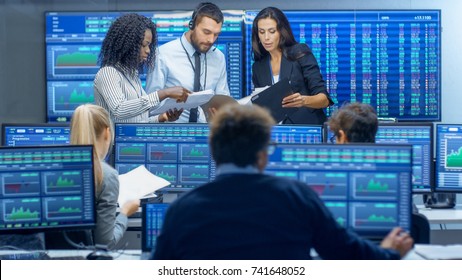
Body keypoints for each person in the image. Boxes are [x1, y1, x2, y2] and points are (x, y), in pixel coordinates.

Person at [153, 104, 413, 260]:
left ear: (212, 149)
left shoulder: (182, 210)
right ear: (264, 155)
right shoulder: (296, 197)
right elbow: (343, 251)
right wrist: (389, 253)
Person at [94, 13, 189, 124]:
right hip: (114, 142)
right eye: (144, 45)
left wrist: (161, 118)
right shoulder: (108, 73)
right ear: (128, 45)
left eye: (149, 45)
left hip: (128, 141)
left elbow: (135, 122)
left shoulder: (132, 75)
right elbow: (119, 110)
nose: (148, 50)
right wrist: (164, 93)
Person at [146, 2, 230, 123]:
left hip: (207, 134)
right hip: (171, 134)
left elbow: (223, 97)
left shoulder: (219, 57)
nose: (211, 40)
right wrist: (166, 113)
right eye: (206, 32)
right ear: (192, 25)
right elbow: (151, 103)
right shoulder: (163, 54)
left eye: (216, 34)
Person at [70, 104, 139, 249]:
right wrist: (125, 213)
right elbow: (105, 243)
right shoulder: (106, 175)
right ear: (107, 133)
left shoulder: (55, 168)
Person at [251, 7, 333, 125]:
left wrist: (303, 100)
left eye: (272, 31)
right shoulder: (258, 67)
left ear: (281, 32)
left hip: (307, 129)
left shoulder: (299, 53)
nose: (266, 38)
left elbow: (324, 99)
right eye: (262, 32)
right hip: (276, 133)